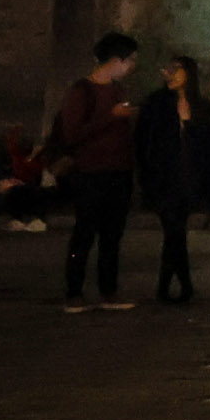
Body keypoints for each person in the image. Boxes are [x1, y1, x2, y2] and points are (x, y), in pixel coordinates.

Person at [48, 31, 141, 312]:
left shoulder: (118, 90)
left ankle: (108, 291)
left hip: (119, 171)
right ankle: (73, 292)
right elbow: (71, 134)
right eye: (131, 60)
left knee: (112, 235)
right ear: (117, 60)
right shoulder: (82, 90)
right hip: (90, 173)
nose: (132, 66)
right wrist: (110, 117)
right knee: (84, 233)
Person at [133, 54, 210, 303]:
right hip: (163, 178)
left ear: (189, 73)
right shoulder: (156, 104)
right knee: (174, 230)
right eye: (167, 69)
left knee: (176, 231)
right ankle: (178, 287)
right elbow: (142, 142)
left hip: (190, 178)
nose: (170, 74)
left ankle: (174, 288)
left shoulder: (203, 107)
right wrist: (145, 174)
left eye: (177, 69)